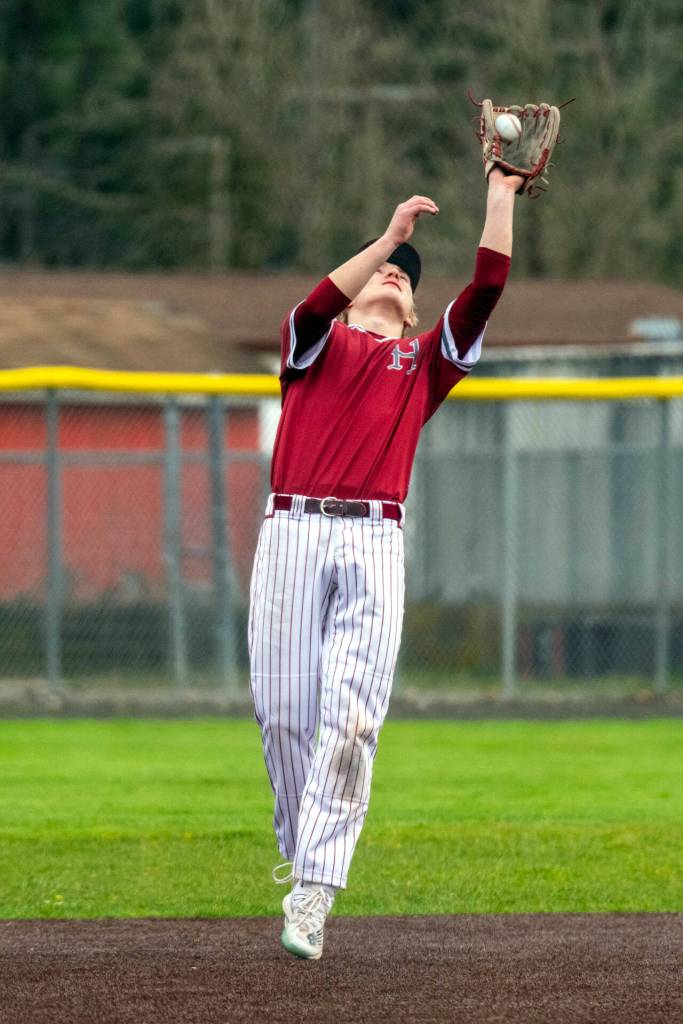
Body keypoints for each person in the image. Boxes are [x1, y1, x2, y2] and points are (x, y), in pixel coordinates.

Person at [248, 167, 524, 959]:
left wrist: (499, 196)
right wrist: (388, 239)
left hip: (372, 539)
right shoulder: (313, 346)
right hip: (292, 532)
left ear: (412, 312)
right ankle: (302, 857)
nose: (395, 279)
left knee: (351, 720)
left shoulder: (420, 364)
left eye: (405, 282)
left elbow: (484, 291)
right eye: (383, 273)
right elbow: (311, 304)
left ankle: (313, 893)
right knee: (284, 715)